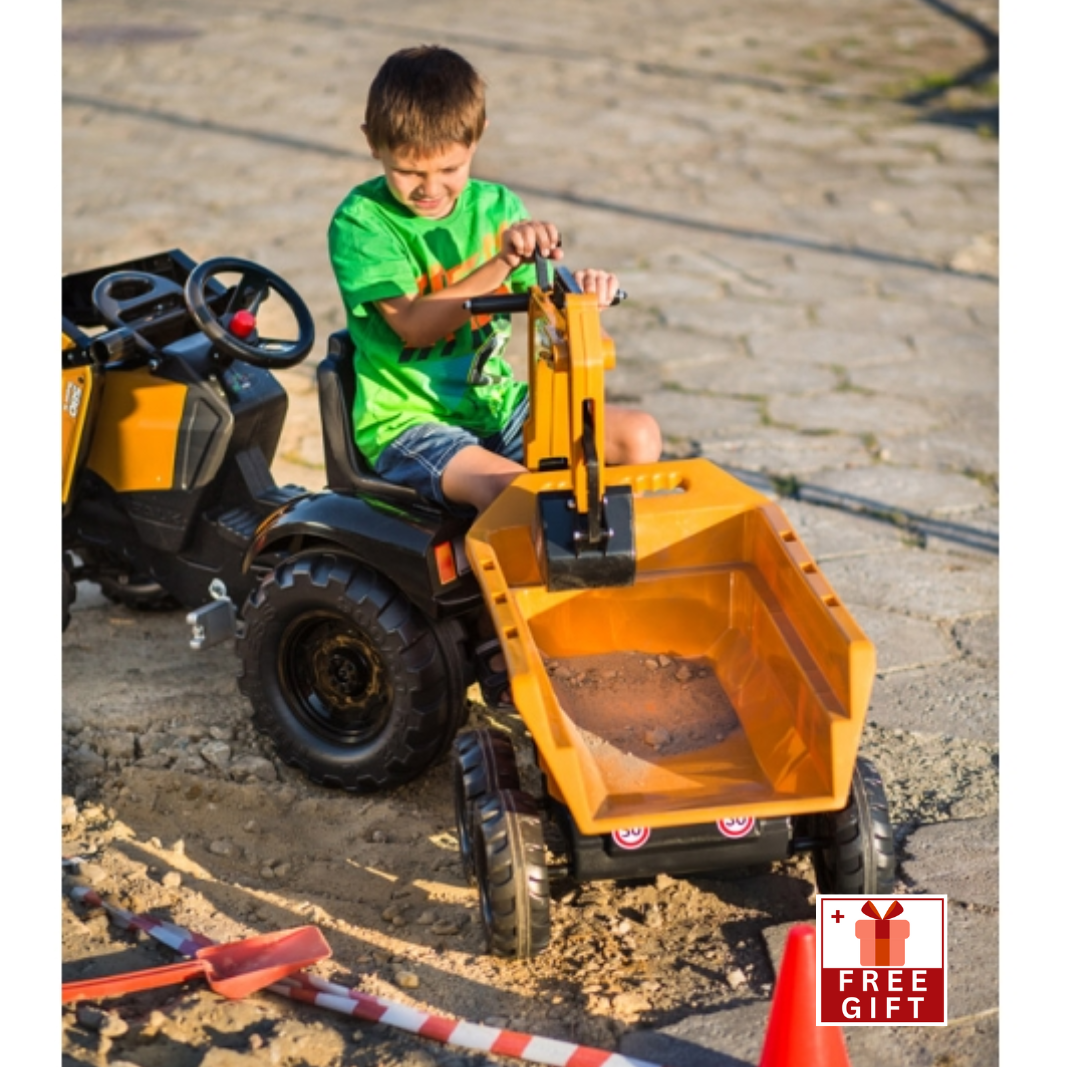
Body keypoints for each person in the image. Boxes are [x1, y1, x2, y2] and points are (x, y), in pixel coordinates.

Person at [328, 45, 662, 709]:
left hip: (493, 404)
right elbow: (415, 326)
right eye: (408, 172)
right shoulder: (361, 222)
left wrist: (582, 291)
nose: (430, 188)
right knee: (512, 490)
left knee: (635, 439)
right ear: (373, 147)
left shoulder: (497, 207)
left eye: (449, 168)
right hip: (407, 422)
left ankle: (616, 596)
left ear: (475, 142)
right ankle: (526, 650)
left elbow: (543, 294)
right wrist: (498, 266)